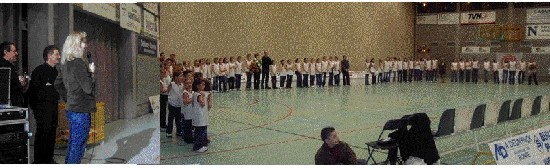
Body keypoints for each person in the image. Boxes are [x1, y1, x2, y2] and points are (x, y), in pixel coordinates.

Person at [58, 32, 96, 164]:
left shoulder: (65, 63)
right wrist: (91, 73)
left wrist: (68, 98)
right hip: (80, 109)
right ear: (76, 45)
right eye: (83, 42)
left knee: (74, 142)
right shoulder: (78, 63)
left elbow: (58, 83)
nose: (85, 45)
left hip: (72, 108)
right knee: (79, 144)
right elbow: (88, 88)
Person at [28, 45, 61, 164]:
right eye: (57, 54)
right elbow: (33, 92)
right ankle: (39, 161)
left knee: (52, 133)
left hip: (53, 107)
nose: (59, 57)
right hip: (42, 109)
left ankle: (48, 159)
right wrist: (36, 110)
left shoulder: (56, 71)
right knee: (43, 134)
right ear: (49, 56)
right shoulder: (39, 71)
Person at [0, 42, 26, 107]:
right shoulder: (6, 66)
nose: (16, 53)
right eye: (14, 51)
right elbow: (13, 87)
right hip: (10, 104)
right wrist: (20, 83)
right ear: (5, 52)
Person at [192, 78, 212, 153]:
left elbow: (208, 106)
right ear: (198, 86)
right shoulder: (197, 94)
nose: (204, 86)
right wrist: (203, 96)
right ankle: (197, 147)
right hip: (199, 116)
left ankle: (202, 144)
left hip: (203, 115)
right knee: (199, 132)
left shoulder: (201, 93)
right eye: (202, 85)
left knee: (202, 130)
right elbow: (202, 104)